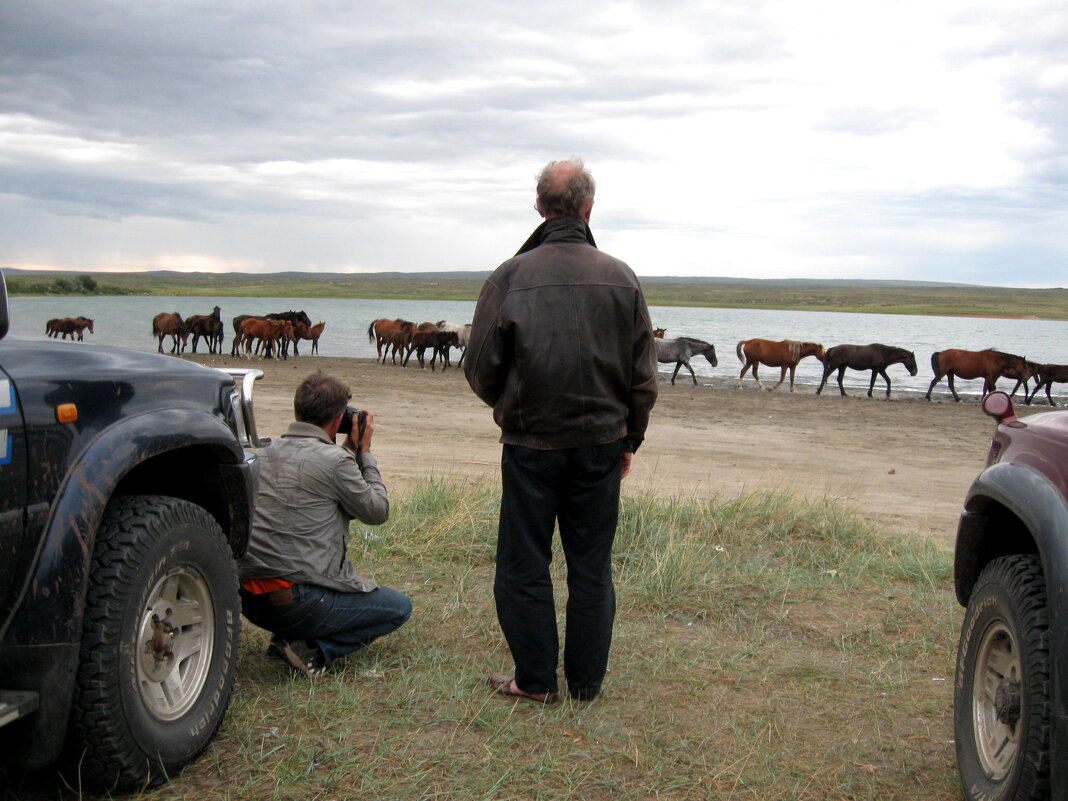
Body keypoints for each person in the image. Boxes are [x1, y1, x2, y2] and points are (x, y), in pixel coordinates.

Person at [463, 158, 658, 702]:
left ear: (540, 209)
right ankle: (586, 685)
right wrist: (629, 439)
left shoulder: (509, 276)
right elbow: (643, 379)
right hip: (600, 447)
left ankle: (535, 681)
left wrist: (514, 407)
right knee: (592, 568)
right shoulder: (622, 277)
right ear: (588, 208)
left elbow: (479, 368)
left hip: (530, 447)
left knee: (524, 565)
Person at [237, 371, 411, 677]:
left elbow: (318, 485)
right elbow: (376, 511)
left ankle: (289, 638)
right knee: (397, 608)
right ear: (340, 418)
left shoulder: (262, 452)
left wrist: (346, 450)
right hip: (298, 602)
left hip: (249, 600)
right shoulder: (336, 462)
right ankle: (314, 651)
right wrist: (364, 454)